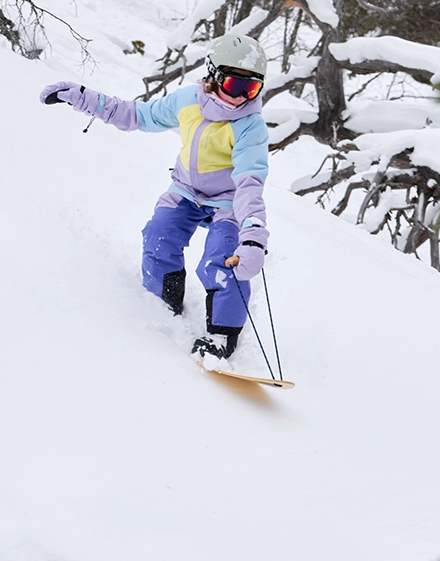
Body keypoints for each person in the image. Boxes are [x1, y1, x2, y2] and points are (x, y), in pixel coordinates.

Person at [40, 33, 269, 360]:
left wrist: (253, 238)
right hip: (186, 191)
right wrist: (82, 98)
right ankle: (163, 302)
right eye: (235, 85)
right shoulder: (188, 101)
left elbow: (249, 184)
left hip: (228, 204)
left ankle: (221, 336)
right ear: (214, 76)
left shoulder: (250, 125)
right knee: (158, 236)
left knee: (223, 260)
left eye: (252, 89)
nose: (242, 97)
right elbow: (137, 115)